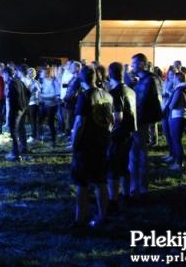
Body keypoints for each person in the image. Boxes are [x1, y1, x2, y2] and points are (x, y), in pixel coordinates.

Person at [70, 66, 114, 228]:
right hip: (102, 142)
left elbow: (79, 122)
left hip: (86, 145)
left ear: (81, 79)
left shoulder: (85, 96)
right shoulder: (107, 95)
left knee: (81, 183)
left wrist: (74, 143)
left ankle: (80, 219)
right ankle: (103, 216)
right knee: (100, 181)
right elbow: (111, 119)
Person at [129, 53, 163, 197]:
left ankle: (139, 186)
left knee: (138, 153)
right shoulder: (143, 79)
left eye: (134, 63)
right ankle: (139, 185)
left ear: (142, 64)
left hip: (140, 121)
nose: (132, 66)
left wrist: (136, 120)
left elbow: (143, 102)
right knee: (138, 152)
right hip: (139, 120)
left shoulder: (149, 80)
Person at [106, 62, 136, 212]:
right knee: (124, 166)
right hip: (130, 133)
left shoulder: (115, 93)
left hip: (118, 135)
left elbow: (118, 117)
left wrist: (107, 129)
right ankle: (127, 195)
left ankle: (113, 201)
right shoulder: (130, 90)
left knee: (113, 168)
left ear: (110, 74)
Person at [165, 71, 186, 170]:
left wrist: (169, 105)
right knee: (177, 140)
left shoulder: (179, 90)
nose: (172, 79)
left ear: (177, 79)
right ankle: (176, 159)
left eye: (174, 78)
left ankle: (179, 163)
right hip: (182, 115)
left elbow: (172, 105)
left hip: (177, 116)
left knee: (176, 140)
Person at [3, 66, 29, 161]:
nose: (3, 78)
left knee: (13, 131)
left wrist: (13, 110)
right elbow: (28, 93)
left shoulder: (11, 84)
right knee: (21, 129)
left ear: (6, 74)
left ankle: (16, 154)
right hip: (22, 110)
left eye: (3, 75)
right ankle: (24, 147)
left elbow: (13, 99)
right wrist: (24, 105)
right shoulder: (19, 81)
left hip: (15, 110)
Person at [40, 66, 60, 147]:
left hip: (52, 105)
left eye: (42, 72)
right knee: (40, 121)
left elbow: (54, 95)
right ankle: (41, 138)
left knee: (50, 123)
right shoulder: (43, 81)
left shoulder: (53, 82)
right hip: (45, 105)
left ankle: (53, 141)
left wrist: (42, 96)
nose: (40, 74)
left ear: (46, 73)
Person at [25, 67, 42, 142]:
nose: (29, 74)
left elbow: (40, 91)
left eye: (31, 72)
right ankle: (36, 135)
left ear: (33, 74)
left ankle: (34, 136)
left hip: (34, 102)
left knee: (33, 120)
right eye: (28, 72)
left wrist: (38, 99)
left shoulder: (35, 82)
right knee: (31, 120)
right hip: (28, 102)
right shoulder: (25, 81)